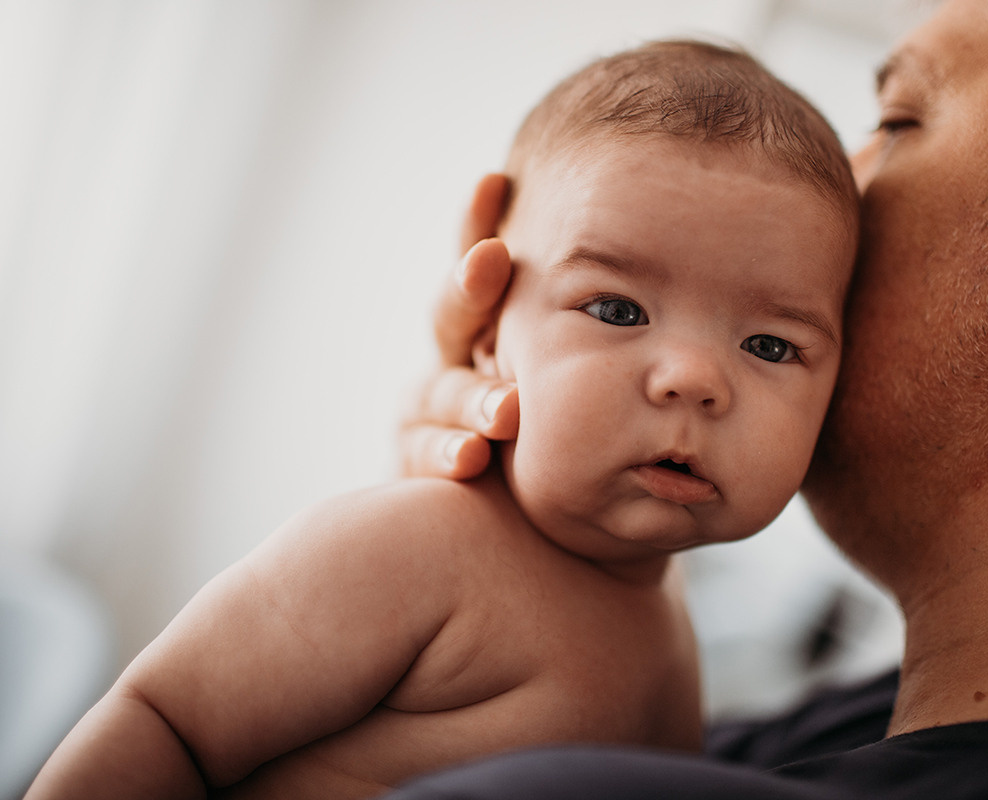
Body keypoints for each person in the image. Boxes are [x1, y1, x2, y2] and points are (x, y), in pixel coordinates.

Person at [389, 0, 988, 797]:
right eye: (614, 309)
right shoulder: (844, 724)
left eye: (895, 123)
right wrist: (508, 535)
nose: (835, 186)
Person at [25, 41, 860, 800]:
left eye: (769, 345)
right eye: (615, 308)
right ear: (490, 327)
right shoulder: (417, 544)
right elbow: (163, 720)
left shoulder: (666, 608)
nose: (693, 379)